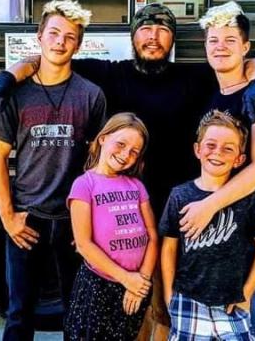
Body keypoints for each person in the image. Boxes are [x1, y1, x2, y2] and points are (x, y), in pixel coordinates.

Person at [0, 4, 255, 340]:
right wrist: (9, 74)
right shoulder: (108, 74)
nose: (153, 36)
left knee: (168, 304)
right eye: (145, 29)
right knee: (116, 305)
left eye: (163, 30)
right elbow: (50, 58)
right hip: (122, 210)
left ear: (173, 39)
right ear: (133, 36)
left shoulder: (194, 76)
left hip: (183, 208)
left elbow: (247, 63)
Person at [0, 0, 107, 341]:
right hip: (27, 216)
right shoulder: (14, 95)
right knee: (19, 313)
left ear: (78, 44)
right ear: (39, 37)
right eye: (53, 33)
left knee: (76, 311)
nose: (60, 42)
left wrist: (91, 220)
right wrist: (8, 217)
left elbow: (97, 163)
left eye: (69, 36)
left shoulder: (92, 95)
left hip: (72, 218)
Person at [177, 2, 255, 340]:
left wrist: (208, 205)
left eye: (229, 40)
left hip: (244, 229)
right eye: (213, 40)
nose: (220, 47)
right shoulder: (212, 95)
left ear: (245, 47)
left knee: (243, 319)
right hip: (209, 228)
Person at [160, 110, 255, 341]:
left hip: (232, 303)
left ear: (239, 159)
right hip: (187, 300)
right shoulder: (180, 196)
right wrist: (169, 295)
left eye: (228, 148)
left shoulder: (249, 200)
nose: (217, 153)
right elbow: (169, 248)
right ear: (197, 150)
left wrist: (247, 295)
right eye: (210, 145)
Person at [65, 112, 159, 341]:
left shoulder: (136, 186)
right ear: (103, 138)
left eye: (134, 152)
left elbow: (152, 237)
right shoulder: (84, 185)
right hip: (98, 288)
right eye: (121, 144)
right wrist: (126, 278)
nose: (126, 154)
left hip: (136, 286)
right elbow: (84, 244)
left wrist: (141, 282)